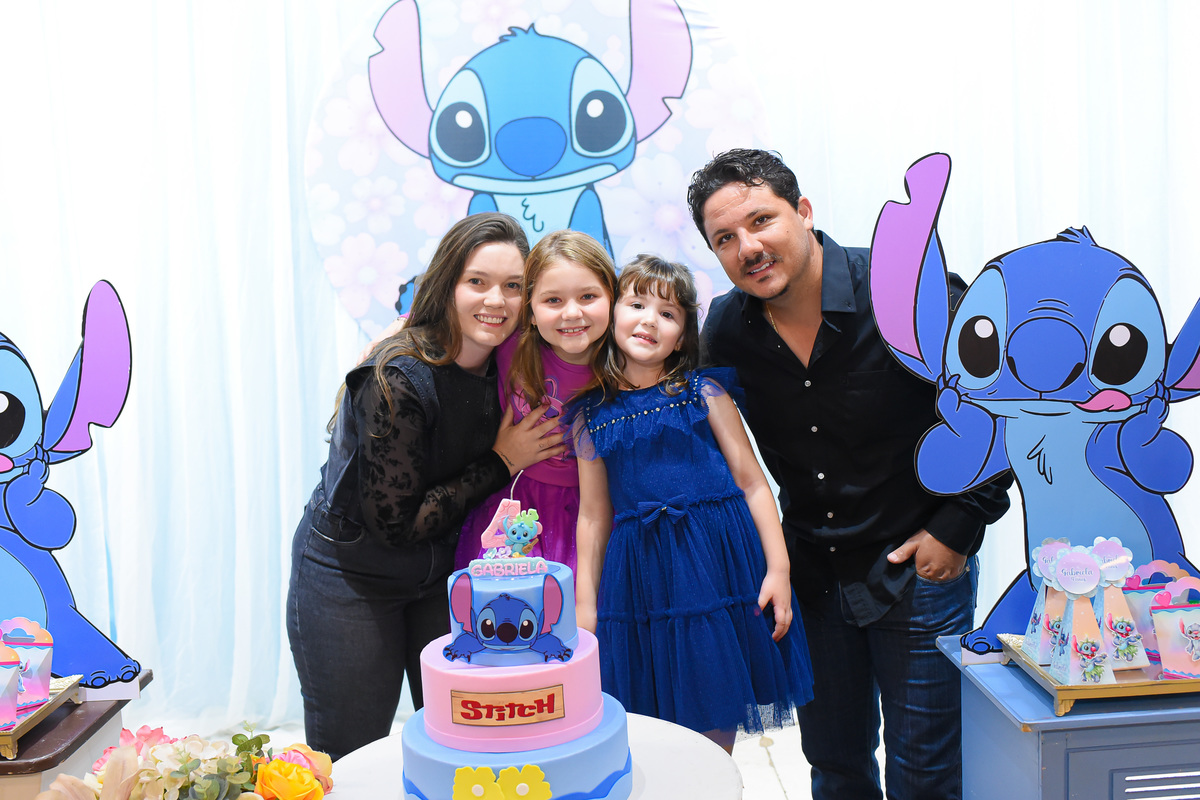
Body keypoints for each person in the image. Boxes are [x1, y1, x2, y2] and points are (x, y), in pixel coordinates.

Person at [688, 149, 1012, 799]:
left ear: (804, 212)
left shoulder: (905, 289)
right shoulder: (726, 329)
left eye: (761, 220)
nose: (748, 247)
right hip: (814, 575)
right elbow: (688, 427)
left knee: (926, 774)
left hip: (918, 566)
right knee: (835, 769)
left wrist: (958, 525)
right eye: (725, 238)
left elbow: (1001, 408)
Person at [287, 213, 566, 760]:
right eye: (477, 281)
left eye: (514, 286)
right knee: (352, 755)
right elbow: (397, 524)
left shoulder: (510, 362)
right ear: (447, 285)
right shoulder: (398, 376)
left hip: (443, 574)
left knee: (463, 743)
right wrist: (502, 460)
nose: (496, 300)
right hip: (352, 579)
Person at [572, 254, 814, 753]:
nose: (649, 320)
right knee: (649, 721)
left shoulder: (704, 392)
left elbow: (752, 482)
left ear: (683, 336)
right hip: (640, 573)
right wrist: (585, 604)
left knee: (715, 705)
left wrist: (779, 568)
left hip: (717, 565)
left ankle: (717, 779)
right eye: (636, 305)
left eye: (667, 313)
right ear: (613, 315)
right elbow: (593, 515)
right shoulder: (590, 416)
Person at [454, 229, 617, 571]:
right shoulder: (511, 345)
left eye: (588, 296)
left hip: (589, 513)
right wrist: (400, 323)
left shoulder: (624, 368)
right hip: (514, 506)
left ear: (613, 299)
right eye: (553, 300)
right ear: (529, 310)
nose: (571, 313)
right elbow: (452, 316)